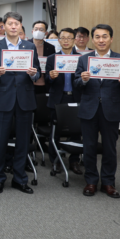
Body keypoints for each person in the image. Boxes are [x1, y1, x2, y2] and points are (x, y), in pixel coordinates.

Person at [74, 24, 120, 199]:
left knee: (109, 148)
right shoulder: (84, 59)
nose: (101, 40)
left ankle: (108, 183)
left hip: (111, 109)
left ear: (111, 39)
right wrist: (83, 80)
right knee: (89, 147)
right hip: (89, 109)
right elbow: (77, 83)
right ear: (93, 39)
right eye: (98, 37)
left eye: (105, 36)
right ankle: (91, 181)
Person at [0, 12, 41, 194]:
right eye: (9, 24)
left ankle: (20, 179)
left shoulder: (30, 47)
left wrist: (34, 74)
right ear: (4, 26)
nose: (13, 27)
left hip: (25, 100)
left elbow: (38, 73)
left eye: (16, 24)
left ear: (20, 26)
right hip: (3, 99)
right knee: (0, 142)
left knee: (23, 142)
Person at [44, 27, 83, 174]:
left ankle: (74, 161)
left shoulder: (81, 58)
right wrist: (51, 77)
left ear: (74, 40)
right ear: (58, 41)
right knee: (56, 132)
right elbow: (47, 82)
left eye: (69, 38)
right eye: (63, 38)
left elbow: (83, 82)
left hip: (76, 97)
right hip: (58, 98)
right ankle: (56, 161)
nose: (66, 41)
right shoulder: (51, 58)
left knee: (76, 132)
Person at [30, 20, 56, 94]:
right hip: (28, 83)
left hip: (44, 83)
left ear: (46, 33)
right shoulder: (26, 45)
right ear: (32, 31)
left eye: (41, 29)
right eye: (36, 29)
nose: (38, 31)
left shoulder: (50, 47)